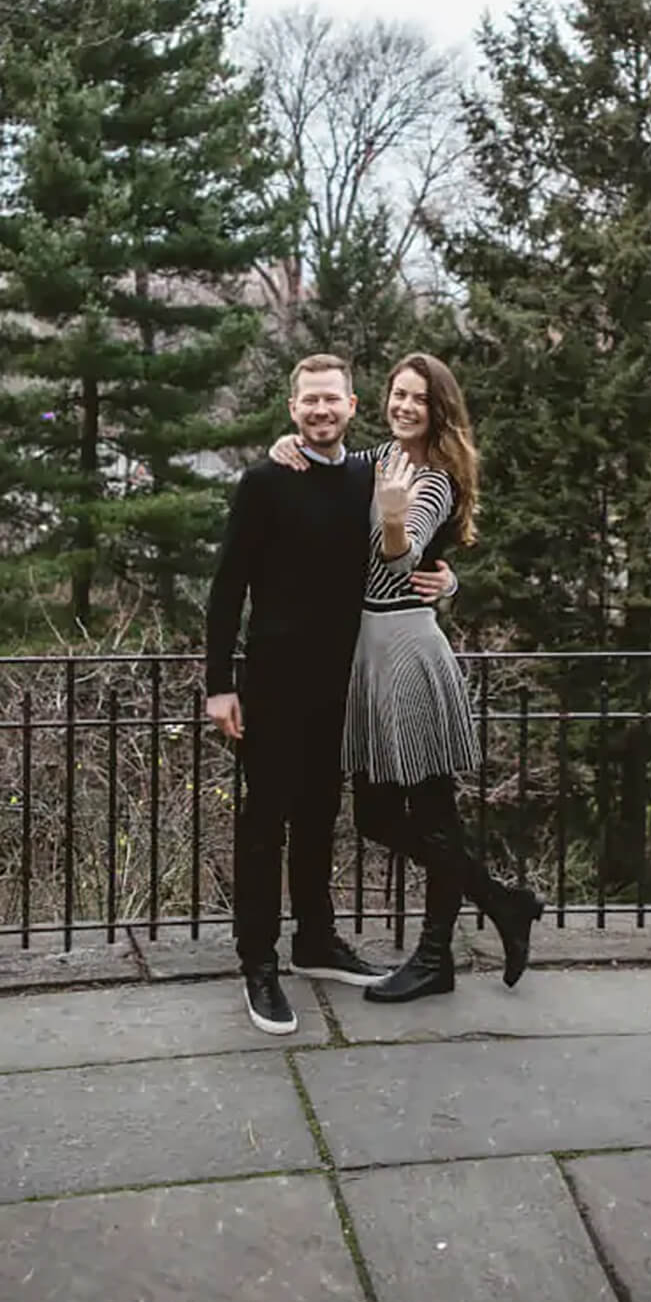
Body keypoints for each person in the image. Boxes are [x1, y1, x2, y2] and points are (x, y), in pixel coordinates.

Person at [271, 352, 542, 1003]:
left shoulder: (432, 478)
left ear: (437, 408)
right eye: (398, 394)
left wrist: (395, 520)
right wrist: (289, 445)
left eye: (419, 398)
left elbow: (406, 550)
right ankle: (502, 901)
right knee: (377, 814)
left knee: (432, 811)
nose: (405, 406)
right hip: (372, 651)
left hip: (406, 651)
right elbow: (328, 464)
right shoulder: (378, 461)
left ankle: (435, 957)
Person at [204, 353, 456, 1035]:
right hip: (273, 683)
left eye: (331, 400)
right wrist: (219, 684)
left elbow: (400, 553)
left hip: (342, 682)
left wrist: (447, 578)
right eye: (308, 401)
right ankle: (258, 961)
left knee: (320, 816)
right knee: (265, 823)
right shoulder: (264, 481)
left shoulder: (367, 477)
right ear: (293, 409)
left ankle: (315, 939)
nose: (320, 411)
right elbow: (227, 587)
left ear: (352, 405)